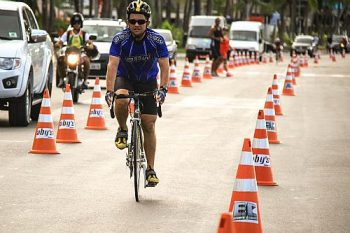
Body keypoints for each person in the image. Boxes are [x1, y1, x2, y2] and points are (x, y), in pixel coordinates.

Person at [105, 0, 169, 186]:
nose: (136, 25)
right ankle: (123, 129)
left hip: (148, 81)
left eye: (141, 21)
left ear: (147, 22)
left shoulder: (157, 40)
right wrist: (110, 91)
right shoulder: (120, 39)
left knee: (148, 125)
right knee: (122, 99)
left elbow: (164, 66)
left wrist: (163, 89)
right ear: (127, 21)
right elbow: (112, 65)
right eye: (132, 21)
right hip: (126, 78)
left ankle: (150, 169)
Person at [55, 12, 93, 89]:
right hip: (69, 53)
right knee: (60, 59)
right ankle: (62, 79)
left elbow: (89, 42)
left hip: (81, 53)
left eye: (78, 22)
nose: (77, 24)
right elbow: (60, 41)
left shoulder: (84, 34)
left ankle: (85, 81)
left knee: (87, 61)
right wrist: (58, 44)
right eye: (75, 22)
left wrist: (90, 46)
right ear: (72, 23)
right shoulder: (68, 33)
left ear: (81, 23)